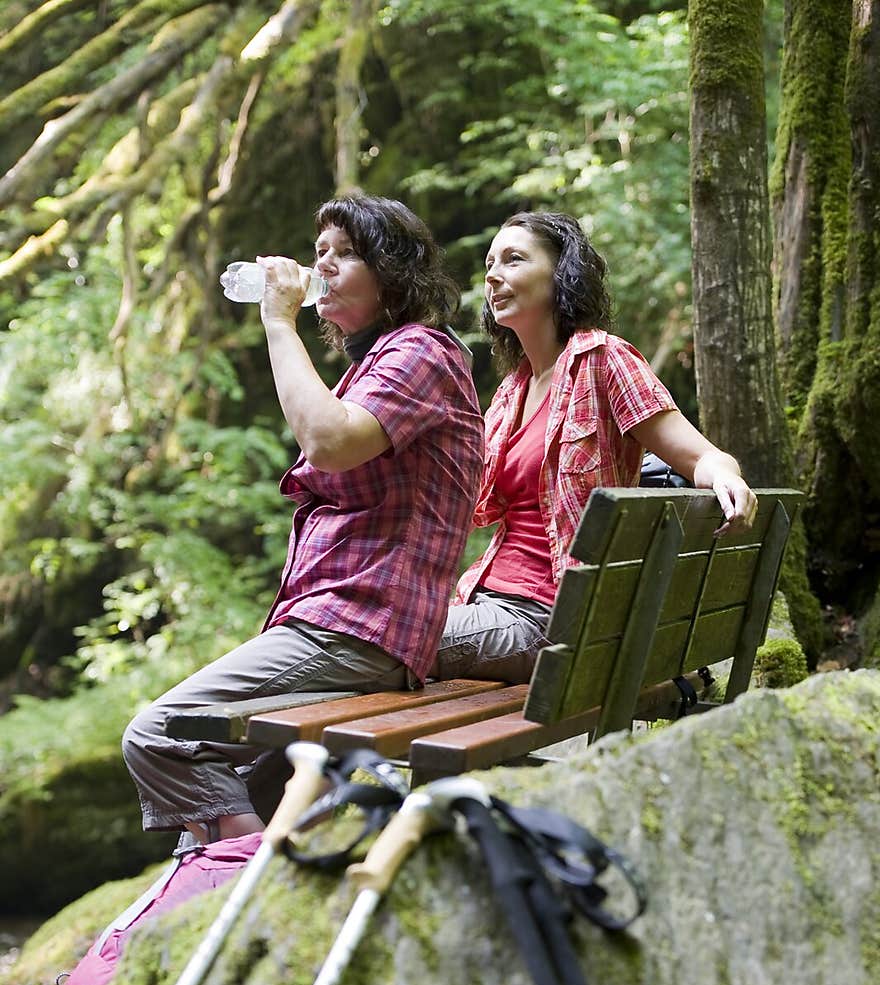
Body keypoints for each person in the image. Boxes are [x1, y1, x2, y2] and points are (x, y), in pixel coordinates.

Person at [122, 195, 484, 844]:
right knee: (202, 800)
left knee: (160, 736)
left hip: (359, 628)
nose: (325, 266)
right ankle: (235, 889)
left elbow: (329, 442)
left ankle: (257, 888)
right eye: (322, 254)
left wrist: (279, 323)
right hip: (344, 628)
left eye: (348, 254)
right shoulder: (376, 367)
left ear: (393, 275)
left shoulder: (422, 353)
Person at [432, 210, 758, 685]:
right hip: (484, 599)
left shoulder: (603, 359)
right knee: (360, 632)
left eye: (514, 259)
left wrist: (726, 476)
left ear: (561, 272)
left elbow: (702, 456)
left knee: (381, 639)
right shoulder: (512, 389)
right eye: (490, 264)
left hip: (550, 616)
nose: (494, 275)